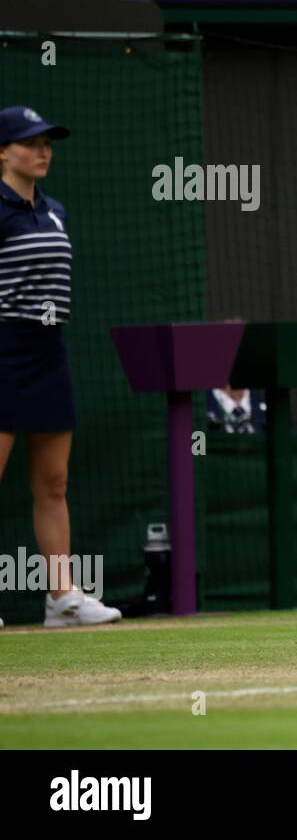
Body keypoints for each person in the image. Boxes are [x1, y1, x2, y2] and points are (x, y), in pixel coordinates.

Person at [0, 106, 121, 628]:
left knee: (53, 482)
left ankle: (61, 598)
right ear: (3, 151)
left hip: (49, 352)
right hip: (2, 348)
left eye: (48, 142)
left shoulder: (55, 211)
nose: (43, 150)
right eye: (30, 142)